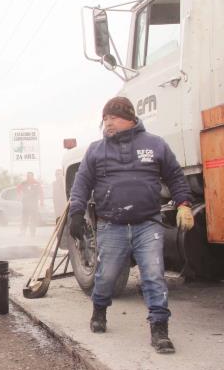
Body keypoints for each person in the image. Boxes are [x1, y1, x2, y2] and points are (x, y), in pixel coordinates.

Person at [69, 96, 195, 354]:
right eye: (104, 118)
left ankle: (159, 329)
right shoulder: (95, 150)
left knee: (153, 276)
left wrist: (184, 204)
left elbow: (175, 176)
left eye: (113, 117)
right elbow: (81, 185)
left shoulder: (155, 144)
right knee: (106, 277)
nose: (108, 123)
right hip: (111, 225)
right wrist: (75, 214)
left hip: (148, 224)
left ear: (129, 118)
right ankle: (99, 309)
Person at [17, 172, 43, 236]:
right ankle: (23, 232)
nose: (29, 177)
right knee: (24, 218)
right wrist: (19, 195)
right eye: (28, 176)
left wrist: (42, 201)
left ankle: (32, 233)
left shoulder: (37, 183)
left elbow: (41, 192)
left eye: (30, 176)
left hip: (34, 204)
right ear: (27, 176)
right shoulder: (23, 183)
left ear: (33, 176)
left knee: (33, 219)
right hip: (25, 203)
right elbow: (18, 188)